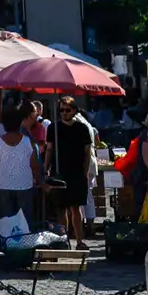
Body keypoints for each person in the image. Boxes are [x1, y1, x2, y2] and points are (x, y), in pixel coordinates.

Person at [0, 115, 40, 237]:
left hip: (3, 185)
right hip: (24, 185)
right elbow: (34, 164)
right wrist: (40, 181)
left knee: (6, 221)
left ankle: (8, 245)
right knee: (25, 221)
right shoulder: (28, 141)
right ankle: (25, 244)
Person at [55, 97, 96, 238]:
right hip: (60, 171)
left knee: (76, 208)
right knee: (62, 209)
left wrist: (85, 171)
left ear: (74, 110)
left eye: (67, 110)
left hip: (77, 171)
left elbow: (87, 152)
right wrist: (46, 168)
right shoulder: (54, 128)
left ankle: (79, 239)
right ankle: (64, 239)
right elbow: (49, 149)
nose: (64, 113)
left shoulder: (82, 128)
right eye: (61, 110)